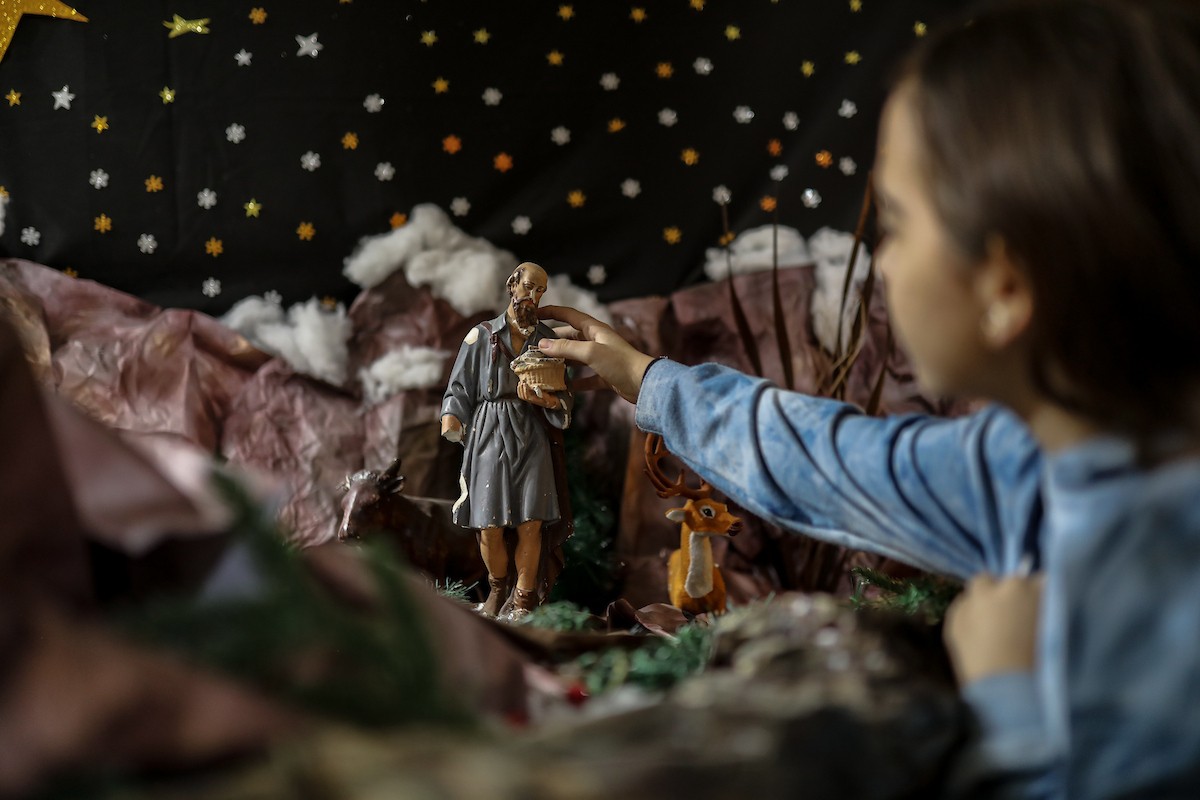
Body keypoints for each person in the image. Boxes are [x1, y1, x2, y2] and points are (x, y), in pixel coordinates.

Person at [535, 0, 1200, 796]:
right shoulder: (1023, 466)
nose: (880, 262)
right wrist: (648, 380)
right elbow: (830, 460)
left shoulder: (1165, 583)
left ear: (1005, 290)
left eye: (898, 223)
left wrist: (1005, 700)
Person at [441, 262, 573, 621]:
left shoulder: (547, 340)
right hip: (489, 431)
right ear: (512, 285)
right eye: (528, 286)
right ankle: (498, 589)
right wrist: (451, 414)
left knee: (531, 522)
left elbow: (564, 397)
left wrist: (547, 401)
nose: (532, 296)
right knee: (489, 525)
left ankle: (524, 600)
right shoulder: (481, 336)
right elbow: (459, 385)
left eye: (540, 290)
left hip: (531, 433)